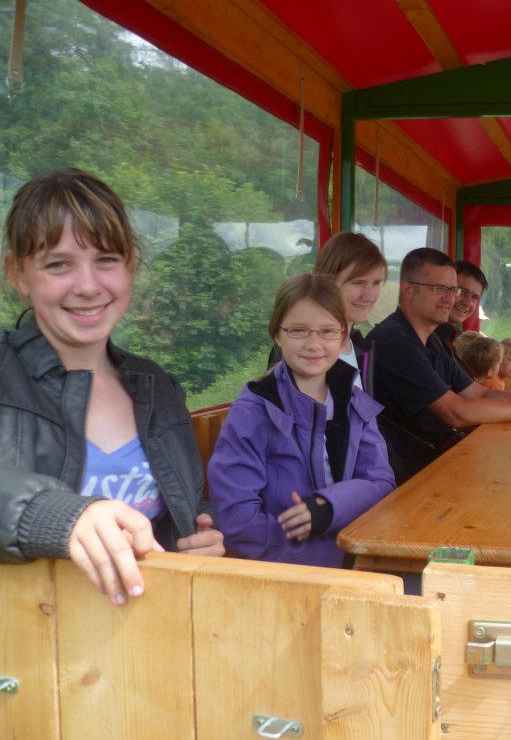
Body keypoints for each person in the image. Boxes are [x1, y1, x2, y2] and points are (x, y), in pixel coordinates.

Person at [0, 168, 224, 606]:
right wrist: (57, 515)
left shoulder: (158, 388)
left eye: (106, 259)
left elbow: (181, 506)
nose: (88, 286)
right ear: (18, 274)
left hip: (147, 631)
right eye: (58, 264)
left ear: (130, 266)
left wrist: (202, 535)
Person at [208, 274, 395, 566]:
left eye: (328, 331)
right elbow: (239, 523)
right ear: (277, 334)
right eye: (298, 331)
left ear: (343, 335)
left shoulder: (353, 402)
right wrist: (337, 557)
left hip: (354, 559)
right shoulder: (253, 413)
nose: (314, 344)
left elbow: (382, 483)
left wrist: (329, 507)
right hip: (287, 569)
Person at [366, 248, 511, 483]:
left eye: (452, 290)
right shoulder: (395, 341)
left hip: (443, 457)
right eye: (439, 289)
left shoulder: (432, 339)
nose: (449, 298)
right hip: (412, 475)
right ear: (408, 290)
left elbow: (479, 392)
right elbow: (456, 412)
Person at [268, 230, 387, 394]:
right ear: (327, 282)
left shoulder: (359, 346)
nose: (369, 296)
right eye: (358, 282)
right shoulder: (299, 351)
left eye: (376, 283)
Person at [434, 259, 488, 367]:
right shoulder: (425, 337)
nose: (467, 303)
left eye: (474, 297)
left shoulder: (454, 338)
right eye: (461, 292)